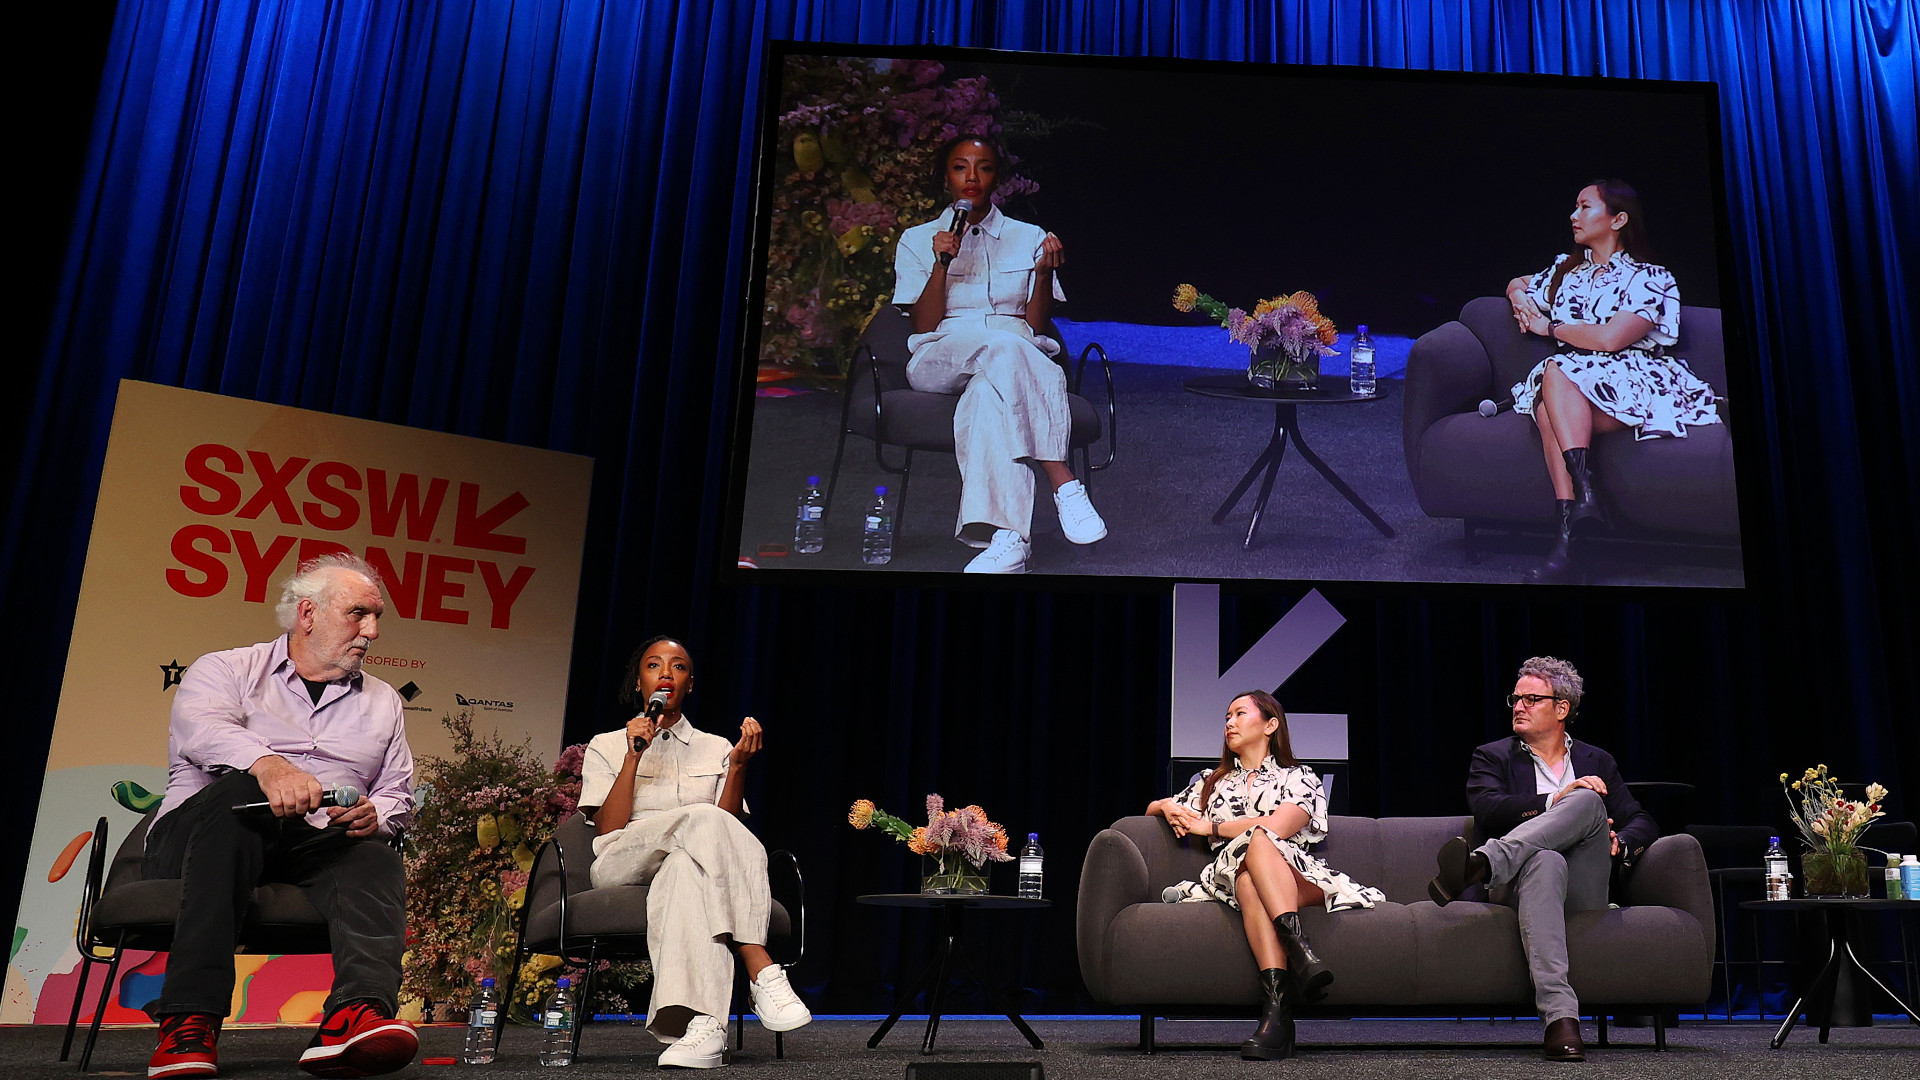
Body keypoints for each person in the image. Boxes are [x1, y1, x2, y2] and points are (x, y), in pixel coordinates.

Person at [144, 554, 418, 1079]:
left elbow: (397, 792)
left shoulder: (384, 701)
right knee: (240, 794)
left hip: (310, 846)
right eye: (359, 614)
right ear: (308, 614)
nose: (373, 631)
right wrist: (268, 766)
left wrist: (375, 814)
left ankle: (354, 1015)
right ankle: (189, 1020)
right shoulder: (226, 669)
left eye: (377, 617)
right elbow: (200, 729)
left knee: (374, 859)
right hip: (201, 839)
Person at [577, 636, 810, 1069]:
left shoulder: (716, 747)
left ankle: (702, 1030)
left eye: (678, 667)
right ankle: (759, 965)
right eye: (654, 665)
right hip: (622, 860)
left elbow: (726, 832)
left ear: (689, 684)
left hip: (690, 864)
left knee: (687, 867)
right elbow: (608, 828)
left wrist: (737, 766)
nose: (666, 673)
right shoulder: (606, 744)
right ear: (639, 682)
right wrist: (632, 757)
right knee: (700, 818)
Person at [890, 135, 1108, 574]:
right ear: (945, 176)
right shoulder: (916, 240)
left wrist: (1043, 274)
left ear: (998, 178)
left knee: (991, 395)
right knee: (1009, 347)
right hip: (942, 353)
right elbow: (924, 325)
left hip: (1011, 354)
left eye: (984, 167)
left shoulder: (1028, 237)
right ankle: (1062, 481)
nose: (972, 177)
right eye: (959, 167)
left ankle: (1009, 540)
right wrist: (940, 263)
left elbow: (1037, 326)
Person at [1427, 656, 1659, 1063]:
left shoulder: (1597, 761)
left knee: (1587, 799)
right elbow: (1489, 809)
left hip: (1584, 886)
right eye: (1515, 699)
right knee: (1547, 858)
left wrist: (1619, 843)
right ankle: (1561, 1021)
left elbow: (1642, 820)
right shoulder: (1492, 756)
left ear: (1562, 709)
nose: (1518, 706)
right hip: (1517, 887)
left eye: (1531, 699)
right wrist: (1557, 798)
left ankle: (1482, 862)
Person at [1503, 180, 1722, 581]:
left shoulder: (1650, 277)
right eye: (1575, 206)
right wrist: (1521, 302)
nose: (1574, 215)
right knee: (1553, 388)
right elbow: (1517, 283)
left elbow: (1610, 339)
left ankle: (1577, 523)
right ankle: (1578, 521)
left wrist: (1548, 327)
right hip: (1571, 382)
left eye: (1585, 207)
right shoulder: (1566, 269)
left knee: (1551, 389)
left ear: (1618, 219)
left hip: (1636, 378)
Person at [1148, 691, 1384, 1060]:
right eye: (1226, 716)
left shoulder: (1299, 777)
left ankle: (1279, 1013)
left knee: (1259, 846)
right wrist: (1165, 805)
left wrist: (1211, 826)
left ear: (1270, 725)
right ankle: (1294, 966)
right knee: (1245, 877)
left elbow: (1278, 826)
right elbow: (1150, 812)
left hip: (1295, 873)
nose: (1229, 722)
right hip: (1229, 877)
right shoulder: (1212, 782)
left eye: (1240, 713)